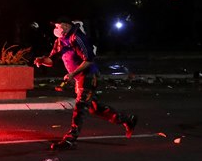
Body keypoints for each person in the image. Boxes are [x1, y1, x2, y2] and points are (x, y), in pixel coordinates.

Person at [34, 16, 138, 150]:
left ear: (65, 26)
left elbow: (88, 60)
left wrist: (72, 73)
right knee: (94, 108)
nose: (56, 29)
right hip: (78, 77)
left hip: (88, 75)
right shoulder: (59, 41)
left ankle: (71, 140)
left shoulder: (78, 38)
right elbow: (52, 59)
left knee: (80, 106)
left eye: (57, 26)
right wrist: (42, 60)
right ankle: (127, 119)